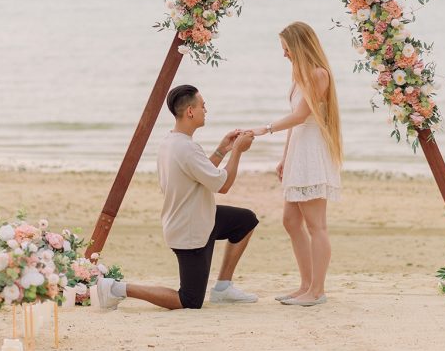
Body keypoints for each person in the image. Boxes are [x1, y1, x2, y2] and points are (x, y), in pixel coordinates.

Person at [96, 85, 259, 310]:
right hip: (189, 230)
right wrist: (238, 151)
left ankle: (223, 287)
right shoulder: (186, 148)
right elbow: (223, 185)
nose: (206, 110)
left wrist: (223, 149)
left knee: (246, 221)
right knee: (189, 301)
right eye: (203, 106)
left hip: (201, 217)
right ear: (190, 111)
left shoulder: (171, 142)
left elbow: (204, 175)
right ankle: (116, 288)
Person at [246, 21, 343, 307]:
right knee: (291, 221)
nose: (284, 54)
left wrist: (266, 128)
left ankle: (317, 290)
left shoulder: (318, 74)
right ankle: (305, 285)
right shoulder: (299, 76)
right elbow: (295, 123)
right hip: (299, 151)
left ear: (299, 47)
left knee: (316, 226)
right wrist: (285, 158)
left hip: (312, 152)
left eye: (286, 48)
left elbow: (301, 116)